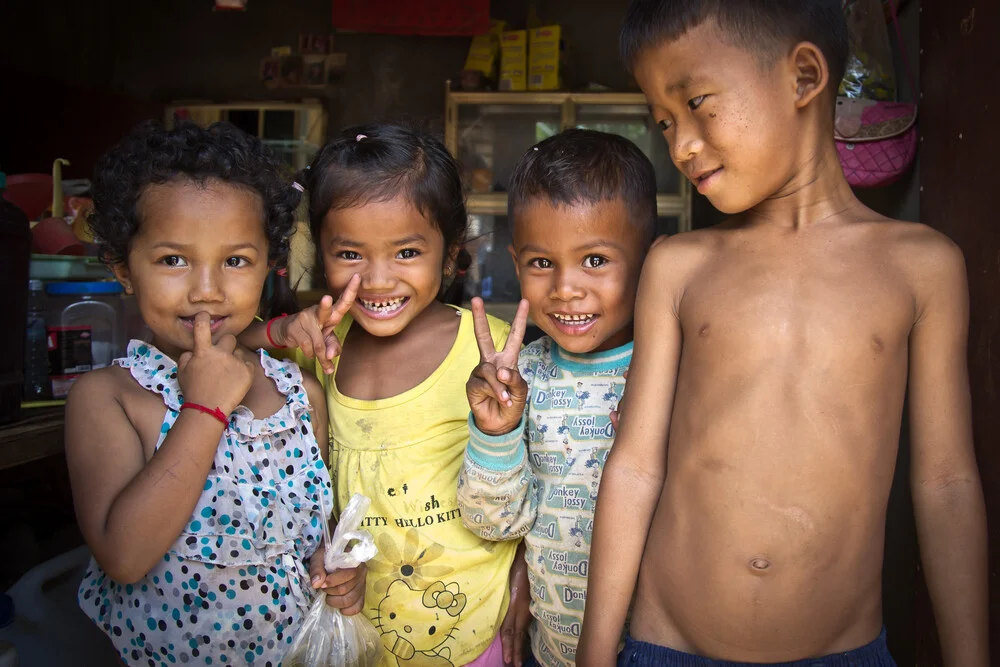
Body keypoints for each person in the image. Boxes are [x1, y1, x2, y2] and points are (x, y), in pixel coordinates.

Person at [577, 1, 989, 666]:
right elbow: (634, 467)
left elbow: (945, 483)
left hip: (842, 653)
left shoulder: (921, 267)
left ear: (803, 77)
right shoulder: (680, 266)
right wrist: (594, 656)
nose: (679, 143)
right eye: (664, 121)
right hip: (667, 645)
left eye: (697, 102)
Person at [68, 120, 365, 667]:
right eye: (173, 260)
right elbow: (125, 557)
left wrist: (338, 566)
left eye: (235, 260)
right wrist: (204, 408)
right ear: (123, 269)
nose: (206, 289)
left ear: (268, 265)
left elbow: (311, 532)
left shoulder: (298, 391)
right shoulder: (109, 398)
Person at [242, 124, 530, 667]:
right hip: (360, 641)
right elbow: (220, 345)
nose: (377, 279)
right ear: (318, 252)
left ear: (448, 257)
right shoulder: (319, 349)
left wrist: (526, 581)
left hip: (472, 638)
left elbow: (539, 480)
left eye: (406, 252)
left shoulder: (487, 353)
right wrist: (278, 331)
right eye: (350, 253)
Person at [456, 129, 655, 667]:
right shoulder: (526, 380)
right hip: (553, 651)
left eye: (595, 261)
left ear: (650, 260)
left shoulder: (667, 373)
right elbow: (494, 523)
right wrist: (495, 431)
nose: (565, 288)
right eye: (542, 263)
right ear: (516, 261)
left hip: (662, 647)